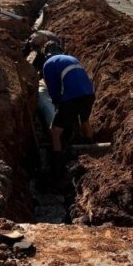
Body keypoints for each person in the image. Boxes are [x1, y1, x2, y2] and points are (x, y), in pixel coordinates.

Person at [41, 42, 95, 175]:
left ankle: (57, 167)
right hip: (89, 94)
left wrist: (57, 103)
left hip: (72, 97)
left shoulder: (48, 64)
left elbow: (53, 89)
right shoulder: (71, 58)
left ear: (46, 54)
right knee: (85, 120)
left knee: (55, 131)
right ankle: (91, 149)